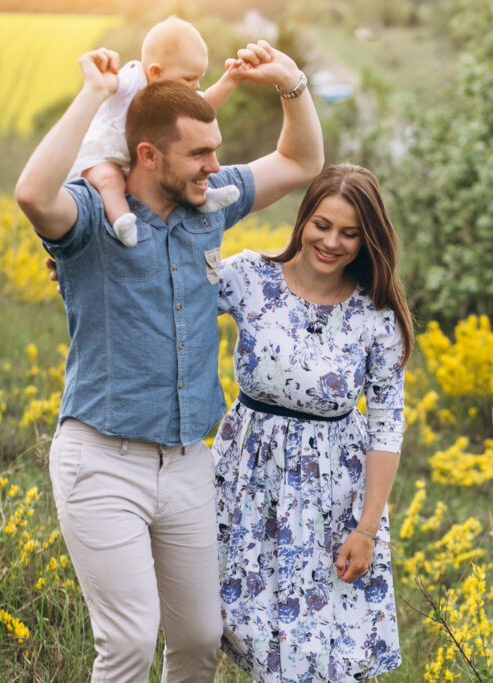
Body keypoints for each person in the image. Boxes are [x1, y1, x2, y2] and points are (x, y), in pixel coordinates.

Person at [14, 36, 322, 682]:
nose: (217, 164)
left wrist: (290, 81)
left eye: (216, 151)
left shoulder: (209, 205)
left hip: (187, 461)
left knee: (199, 638)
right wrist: (93, 95)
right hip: (102, 459)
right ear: (149, 155)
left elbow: (299, 161)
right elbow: (33, 195)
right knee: (128, 640)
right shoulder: (94, 218)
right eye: (201, 152)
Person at [212, 164, 413, 681]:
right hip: (242, 485)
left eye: (350, 233)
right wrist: (77, 260)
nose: (332, 242)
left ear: (368, 240)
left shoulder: (376, 315)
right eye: (322, 225)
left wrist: (367, 529)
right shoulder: (249, 276)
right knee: (215, 628)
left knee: (311, 655)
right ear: (303, 218)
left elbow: (387, 422)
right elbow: (162, 298)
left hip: (329, 501)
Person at [69, 16, 243, 246]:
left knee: (187, 165)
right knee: (110, 180)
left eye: (199, 78)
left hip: (138, 158)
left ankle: (205, 198)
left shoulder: (176, 94)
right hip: (105, 154)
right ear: (156, 72)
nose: (197, 86)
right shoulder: (133, 79)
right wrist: (102, 82)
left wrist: (230, 79)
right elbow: (111, 86)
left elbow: (207, 103)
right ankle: (121, 220)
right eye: (190, 78)